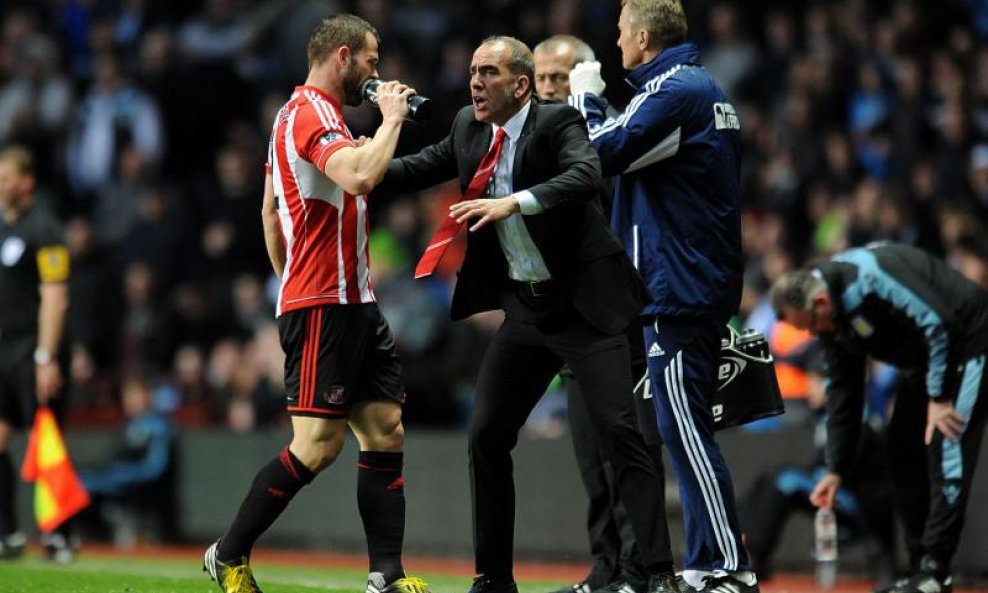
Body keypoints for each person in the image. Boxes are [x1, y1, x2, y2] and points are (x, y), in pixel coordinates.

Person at [380, 35, 678, 593]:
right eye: (472, 71)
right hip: (528, 311)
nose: (474, 82)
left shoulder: (556, 124)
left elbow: (586, 175)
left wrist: (513, 201)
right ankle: (493, 579)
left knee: (621, 437)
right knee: (487, 434)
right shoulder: (469, 127)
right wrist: (351, 166)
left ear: (521, 85)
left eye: (488, 72)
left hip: (585, 309)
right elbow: (414, 169)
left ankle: (659, 576)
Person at [202, 14, 429, 593]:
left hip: (352, 301)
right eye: (372, 62)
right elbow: (357, 179)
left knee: (385, 429)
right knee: (316, 447)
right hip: (325, 305)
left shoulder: (293, 117)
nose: (377, 75)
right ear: (343, 56)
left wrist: (288, 280)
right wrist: (393, 120)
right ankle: (228, 553)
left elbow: (269, 214)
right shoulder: (311, 114)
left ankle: (387, 576)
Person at [569, 2, 758, 592]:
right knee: (683, 430)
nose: (615, 38)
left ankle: (729, 565)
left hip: (679, 289)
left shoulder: (678, 91)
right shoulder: (699, 90)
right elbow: (628, 155)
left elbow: (599, 150)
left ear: (644, 36)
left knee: (686, 433)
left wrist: (583, 101)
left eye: (621, 30)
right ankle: (708, 564)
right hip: (691, 282)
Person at [770, 242, 988, 593]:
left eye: (810, 326)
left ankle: (936, 569)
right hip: (928, 362)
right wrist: (836, 469)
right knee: (900, 450)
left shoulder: (871, 276)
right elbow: (843, 393)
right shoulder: (830, 319)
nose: (813, 334)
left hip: (969, 341)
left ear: (821, 303)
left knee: (947, 444)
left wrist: (939, 397)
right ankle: (920, 568)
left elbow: (939, 323)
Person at [534, 34, 665, 593]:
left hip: (619, 318)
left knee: (627, 450)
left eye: (558, 78)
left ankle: (640, 569)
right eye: (539, 79)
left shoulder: (613, 131)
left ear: (586, 77)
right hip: (570, 318)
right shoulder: (535, 141)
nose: (546, 89)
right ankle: (606, 567)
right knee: (590, 456)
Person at [0, 145, 73, 562]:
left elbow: (55, 297)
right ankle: (8, 531)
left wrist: (46, 356)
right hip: (3, 349)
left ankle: (59, 534)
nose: (1, 185)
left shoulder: (44, 229)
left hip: (32, 348)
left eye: (7, 178)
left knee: (44, 441)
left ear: (27, 182)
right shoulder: (2, 227)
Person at [78, 376, 178, 547]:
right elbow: (112, 460)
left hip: (145, 492)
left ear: (147, 396)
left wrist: (119, 476)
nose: (130, 400)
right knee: (82, 485)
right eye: (127, 395)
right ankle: (91, 539)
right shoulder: (128, 425)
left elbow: (155, 468)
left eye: (135, 395)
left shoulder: (159, 427)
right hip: (120, 484)